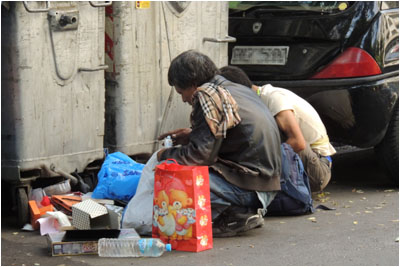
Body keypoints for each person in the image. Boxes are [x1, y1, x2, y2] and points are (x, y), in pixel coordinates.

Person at [157, 50, 282, 237]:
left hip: (253, 188)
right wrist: (192, 135)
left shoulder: (206, 95)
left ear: (192, 84)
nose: (183, 99)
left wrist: (162, 157)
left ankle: (235, 212)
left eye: (182, 92)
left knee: (177, 183)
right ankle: (239, 212)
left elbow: (198, 157)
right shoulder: (235, 88)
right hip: (267, 185)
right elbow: (231, 131)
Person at [219, 66, 336, 192]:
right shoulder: (257, 100)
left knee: (261, 134)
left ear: (236, 90)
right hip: (305, 163)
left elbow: (298, 142)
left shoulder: (273, 98)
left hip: (318, 170)